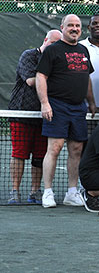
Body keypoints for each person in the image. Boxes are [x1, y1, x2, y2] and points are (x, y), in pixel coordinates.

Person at [36, 14, 97, 208]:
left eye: (77, 26)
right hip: (57, 106)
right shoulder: (52, 50)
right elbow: (41, 76)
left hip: (78, 108)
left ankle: (71, 192)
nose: (74, 28)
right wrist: (45, 103)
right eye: (70, 25)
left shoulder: (84, 50)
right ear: (62, 27)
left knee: (76, 150)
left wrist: (91, 101)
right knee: (54, 148)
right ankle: (48, 192)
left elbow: (86, 78)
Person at [8, 29, 62, 204]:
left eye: (58, 45)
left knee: (40, 156)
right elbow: (32, 81)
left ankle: (35, 191)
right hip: (21, 113)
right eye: (52, 43)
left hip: (44, 116)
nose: (55, 47)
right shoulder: (29, 56)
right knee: (19, 154)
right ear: (45, 40)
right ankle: (14, 191)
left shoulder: (56, 60)